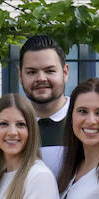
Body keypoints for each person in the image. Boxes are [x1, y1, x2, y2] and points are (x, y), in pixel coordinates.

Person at [18, 35, 70, 175]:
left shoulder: (84, 120)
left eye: (49, 71)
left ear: (65, 72)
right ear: (20, 75)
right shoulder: (13, 125)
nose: (41, 78)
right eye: (31, 72)